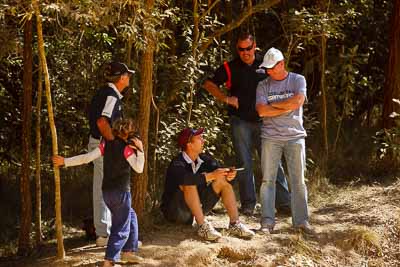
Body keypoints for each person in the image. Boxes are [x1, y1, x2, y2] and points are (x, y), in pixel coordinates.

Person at [202, 32, 291, 216]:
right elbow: (209, 84)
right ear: (238, 49)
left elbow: (280, 80)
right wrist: (225, 98)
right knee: (244, 163)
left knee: (272, 161)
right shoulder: (230, 67)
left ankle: (284, 204)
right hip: (240, 121)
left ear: (255, 46)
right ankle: (249, 205)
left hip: (264, 122)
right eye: (241, 49)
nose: (245, 53)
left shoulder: (264, 63)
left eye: (248, 48)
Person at [53, 118, 145, 267]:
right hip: (121, 193)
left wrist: (65, 161)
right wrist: (140, 150)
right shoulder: (127, 149)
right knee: (121, 227)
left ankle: (129, 251)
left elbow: (87, 158)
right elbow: (139, 169)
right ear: (129, 134)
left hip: (107, 193)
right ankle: (109, 261)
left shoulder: (105, 144)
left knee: (131, 215)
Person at [160, 127, 255, 241]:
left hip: (197, 210)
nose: (203, 140)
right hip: (176, 213)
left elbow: (220, 175)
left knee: (222, 181)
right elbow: (186, 179)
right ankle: (202, 227)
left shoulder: (205, 160)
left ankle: (235, 224)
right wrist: (211, 175)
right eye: (199, 138)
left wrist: (229, 175)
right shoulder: (177, 162)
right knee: (188, 182)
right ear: (189, 144)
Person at [255, 47, 312, 234]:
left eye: (272, 67)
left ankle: (301, 222)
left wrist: (273, 105)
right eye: (267, 68)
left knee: (298, 181)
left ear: (281, 64)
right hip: (270, 138)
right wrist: (285, 107)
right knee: (267, 181)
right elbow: (262, 111)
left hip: (295, 137)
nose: (269, 71)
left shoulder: (297, 80)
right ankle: (267, 223)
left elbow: (298, 102)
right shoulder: (263, 85)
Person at [88, 62, 134, 246]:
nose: (129, 78)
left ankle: (108, 233)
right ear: (121, 77)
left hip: (99, 142)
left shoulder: (104, 93)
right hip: (102, 144)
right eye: (127, 75)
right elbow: (102, 122)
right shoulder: (111, 96)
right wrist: (114, 144)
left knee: (106, 187)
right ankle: (103, 235)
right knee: (103, 187)